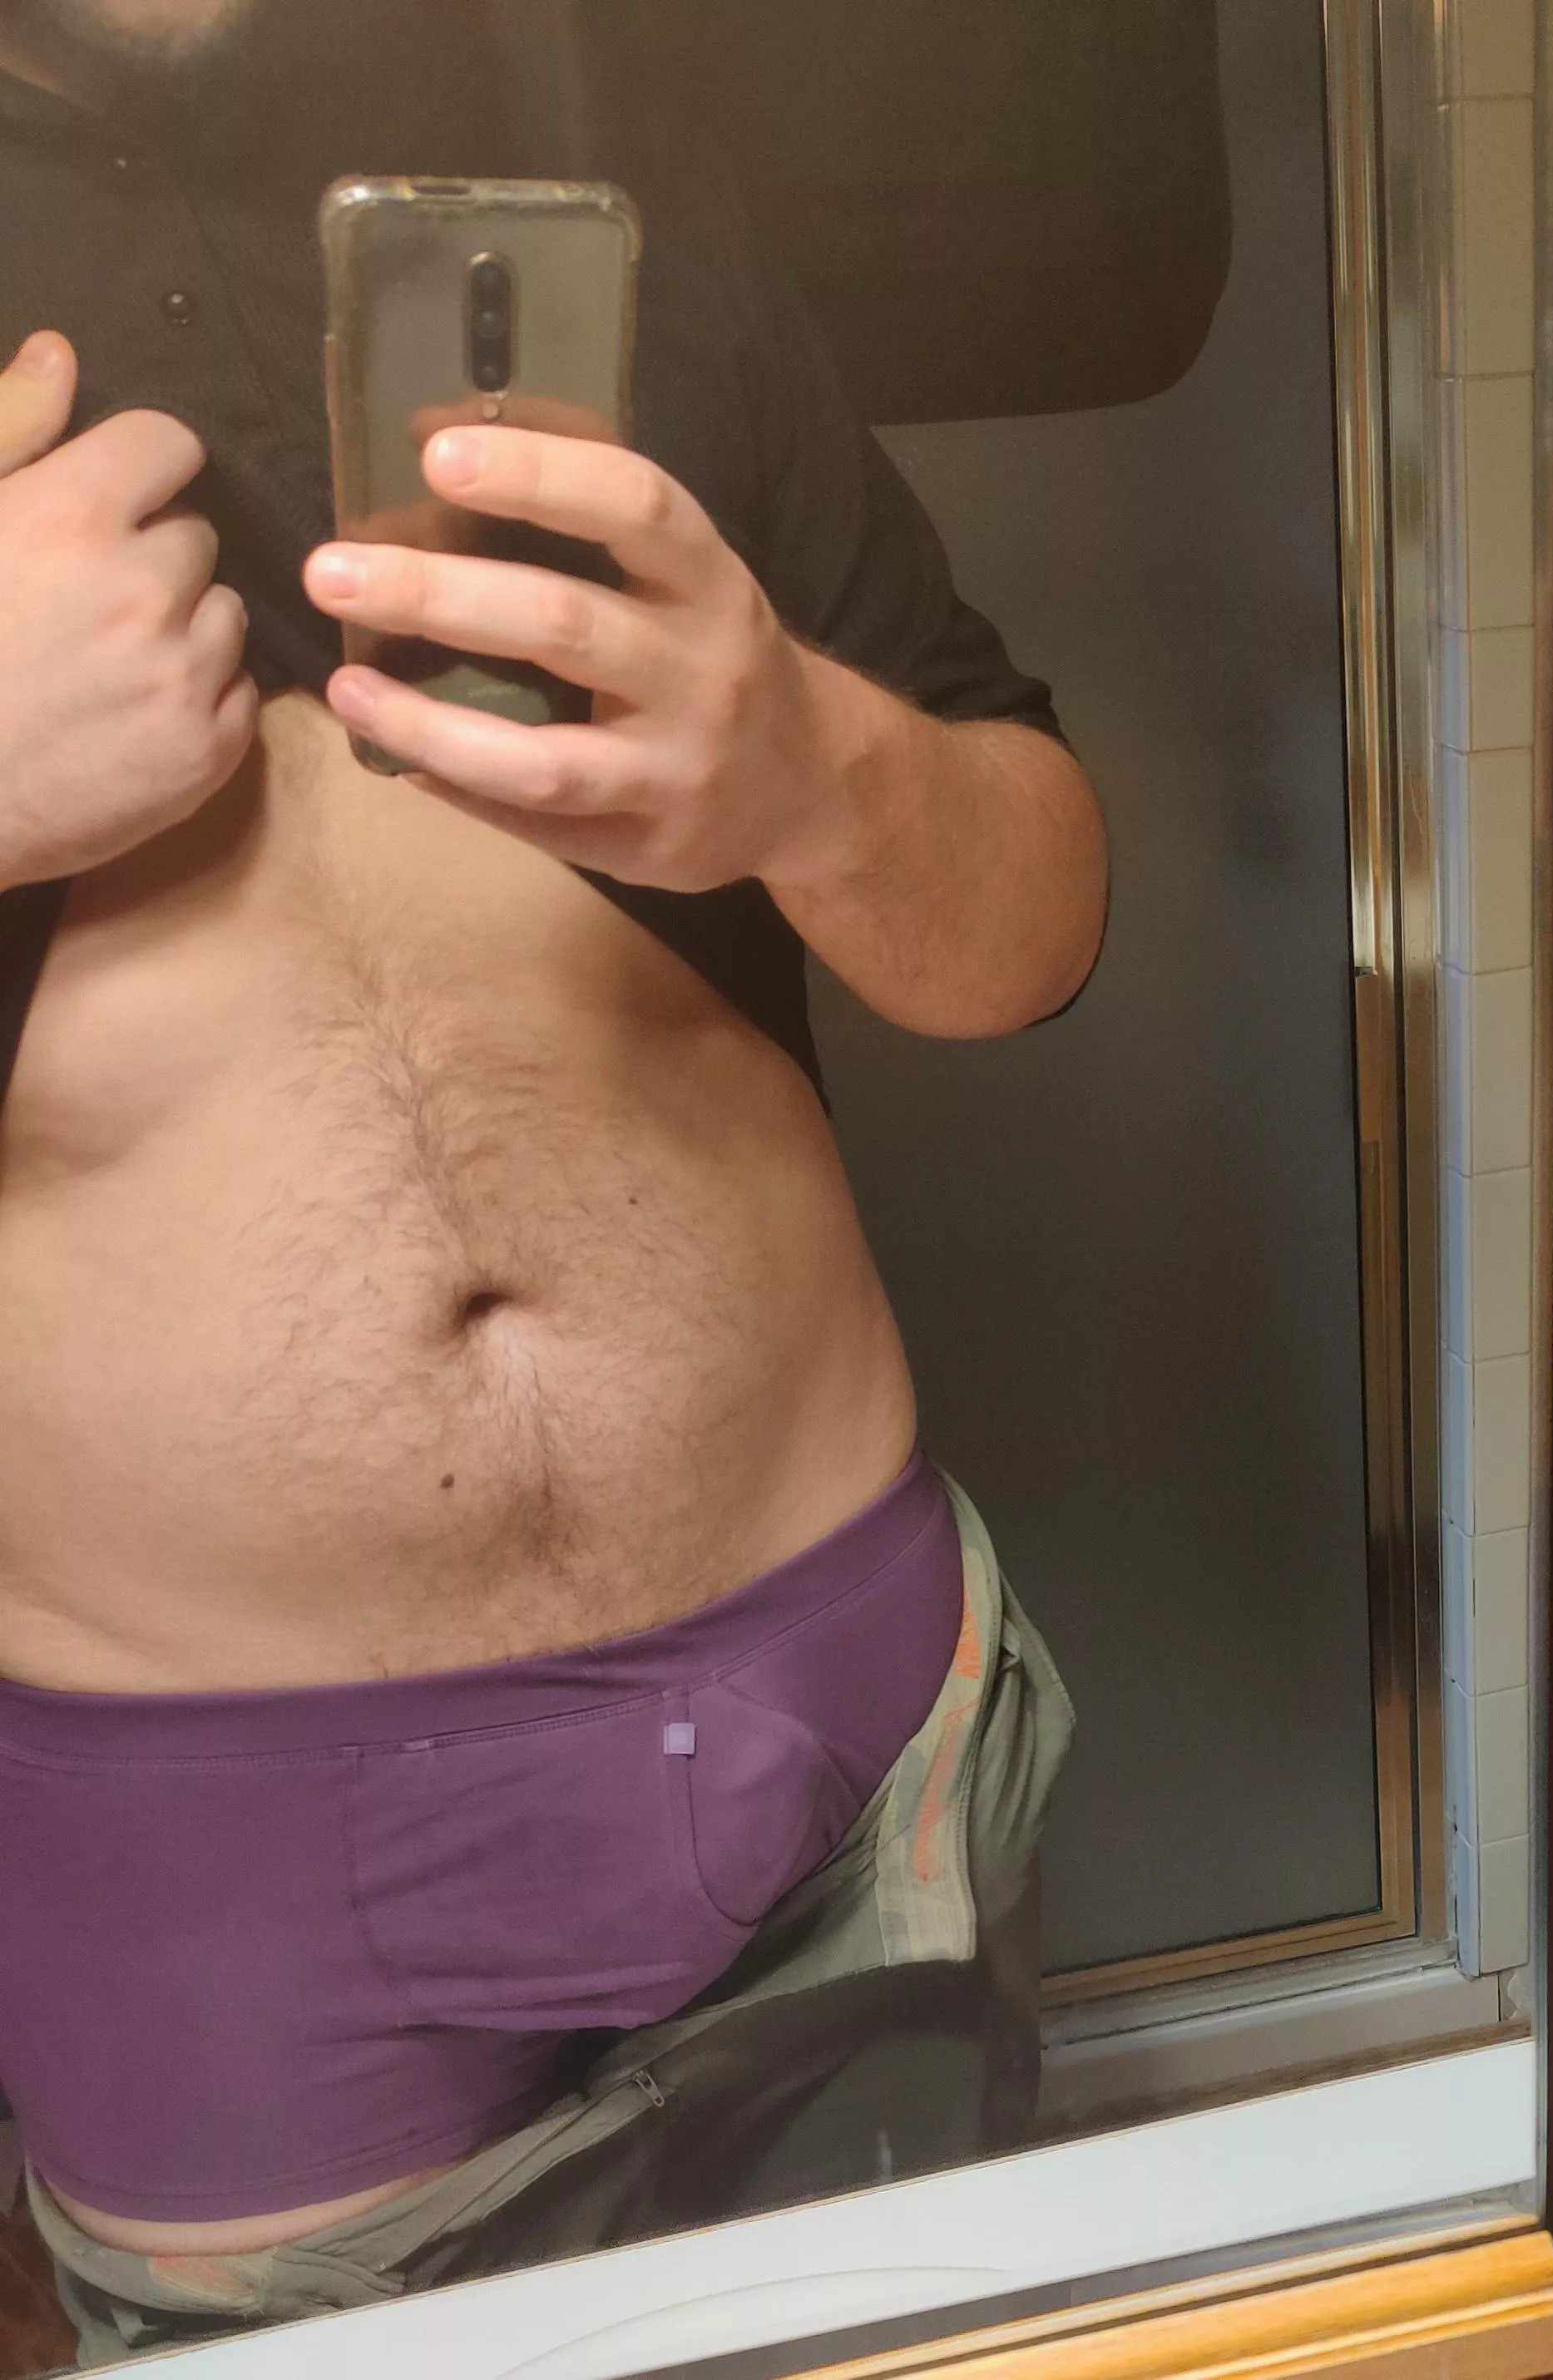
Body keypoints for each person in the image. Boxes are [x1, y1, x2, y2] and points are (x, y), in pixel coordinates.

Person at [0, 0, 1101, 2349]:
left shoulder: (593, 145)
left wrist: (806, 767)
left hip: (847, 1738)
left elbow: (1033, 918)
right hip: (231, 1896)